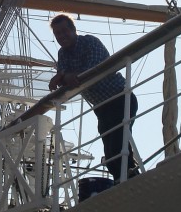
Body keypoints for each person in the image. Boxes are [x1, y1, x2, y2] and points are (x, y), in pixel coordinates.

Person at [48, 14, 138, 181]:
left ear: (74, 30)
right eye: (57, 34)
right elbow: (63, 77)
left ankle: (130, 178)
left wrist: (65, 77)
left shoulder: (90, 42)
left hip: (119, 97)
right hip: (101, 106)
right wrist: (63, 77)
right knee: (109, 149)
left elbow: (90, 71)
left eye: (64, 31)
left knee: (118, 143)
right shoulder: (63, 54)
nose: (61, 36)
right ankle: (122, 179)